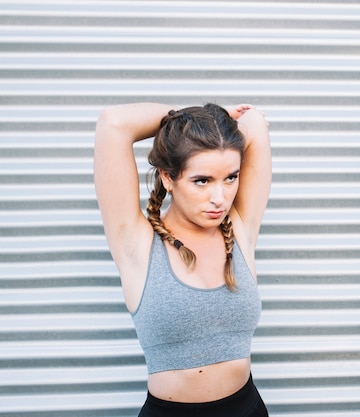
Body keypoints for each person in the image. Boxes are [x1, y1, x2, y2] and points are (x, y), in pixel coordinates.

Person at [94, 101, 272, 417]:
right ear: (167, 177)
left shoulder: (240, 228)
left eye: (230, 177)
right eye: (202, 180)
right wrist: (185, 119)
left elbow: (255, 122)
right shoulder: (137, 244)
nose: (220, 198)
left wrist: (215, 121)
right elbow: (114, 123)